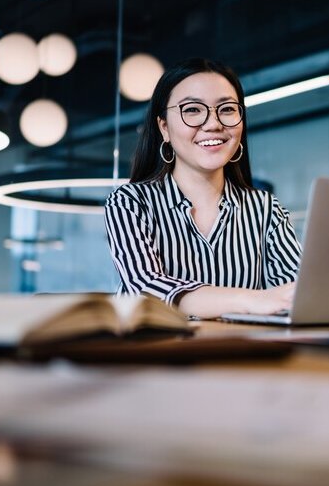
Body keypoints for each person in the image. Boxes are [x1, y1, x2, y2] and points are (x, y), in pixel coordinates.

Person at [105, 57, 301, 318]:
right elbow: (148, 290)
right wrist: (251, 300)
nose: (213, 124)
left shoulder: (266, 210)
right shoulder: (130, 202)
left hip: (240, 356)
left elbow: (295, 292)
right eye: (192, 110)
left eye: (227, 109)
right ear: (164, 127)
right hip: (152, 355)